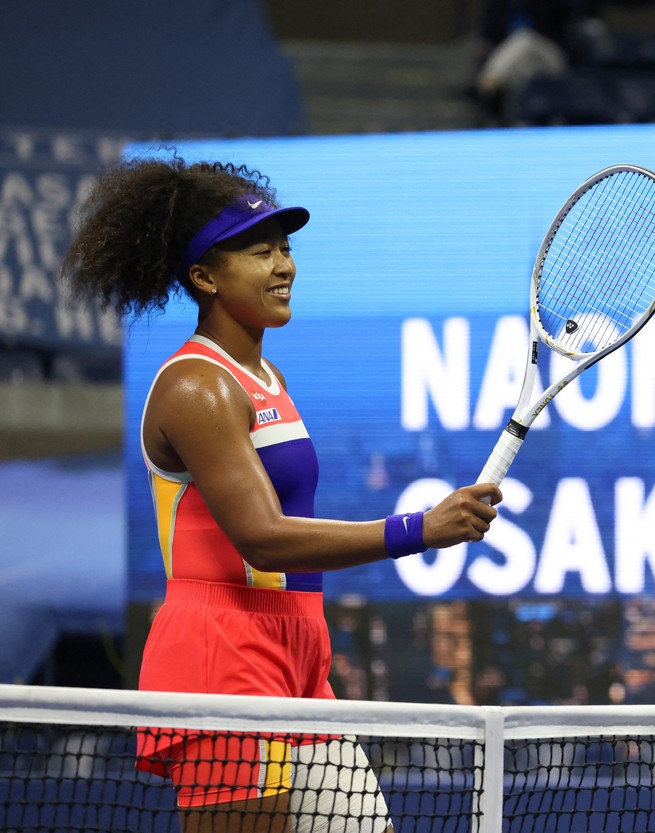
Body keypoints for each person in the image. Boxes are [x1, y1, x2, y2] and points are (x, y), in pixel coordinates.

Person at [61, 155, 504, 833]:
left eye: (286, 248)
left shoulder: (266, 373)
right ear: (204, 276)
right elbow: (262, 534)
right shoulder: (197, 385)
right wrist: (419, 528)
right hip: (224, 653)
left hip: (299, 650)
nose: (283, 265)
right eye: (259, 251)